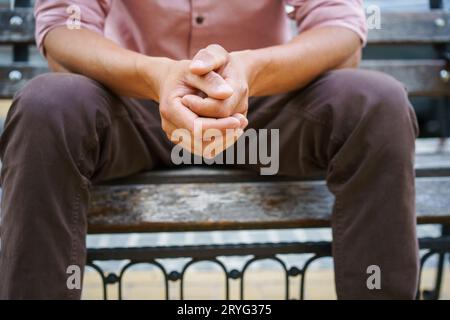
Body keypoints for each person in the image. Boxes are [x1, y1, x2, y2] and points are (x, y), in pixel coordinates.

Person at [0, 0, 419, 299]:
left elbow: (341, 31)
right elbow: (65, 29)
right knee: (46, 105)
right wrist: (157, 75)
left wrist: (250, 71)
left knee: (377, 101)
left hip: (261, 121)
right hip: (135, 112)